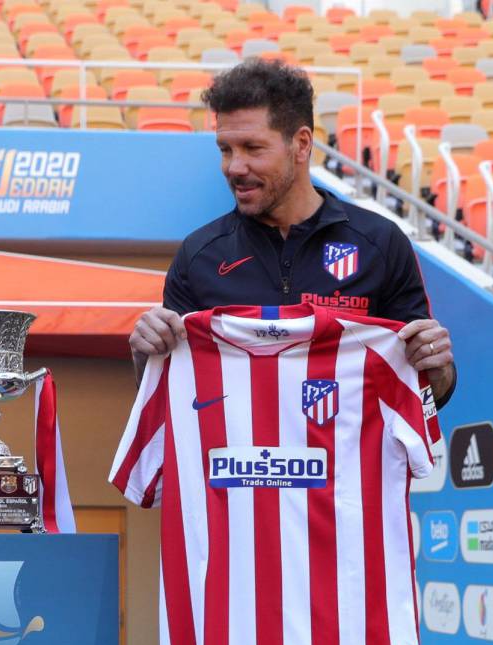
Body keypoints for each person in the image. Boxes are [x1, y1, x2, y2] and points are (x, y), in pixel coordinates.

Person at [128, 58, 456, 408]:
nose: (234, 167)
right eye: (225, 150)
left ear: (301, 144)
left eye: (253, 148)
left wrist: (438, 367)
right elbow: (169, 395)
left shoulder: (380, 243)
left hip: (350, 445)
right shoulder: (199, 255)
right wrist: (146, 356)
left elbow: (428, 392)